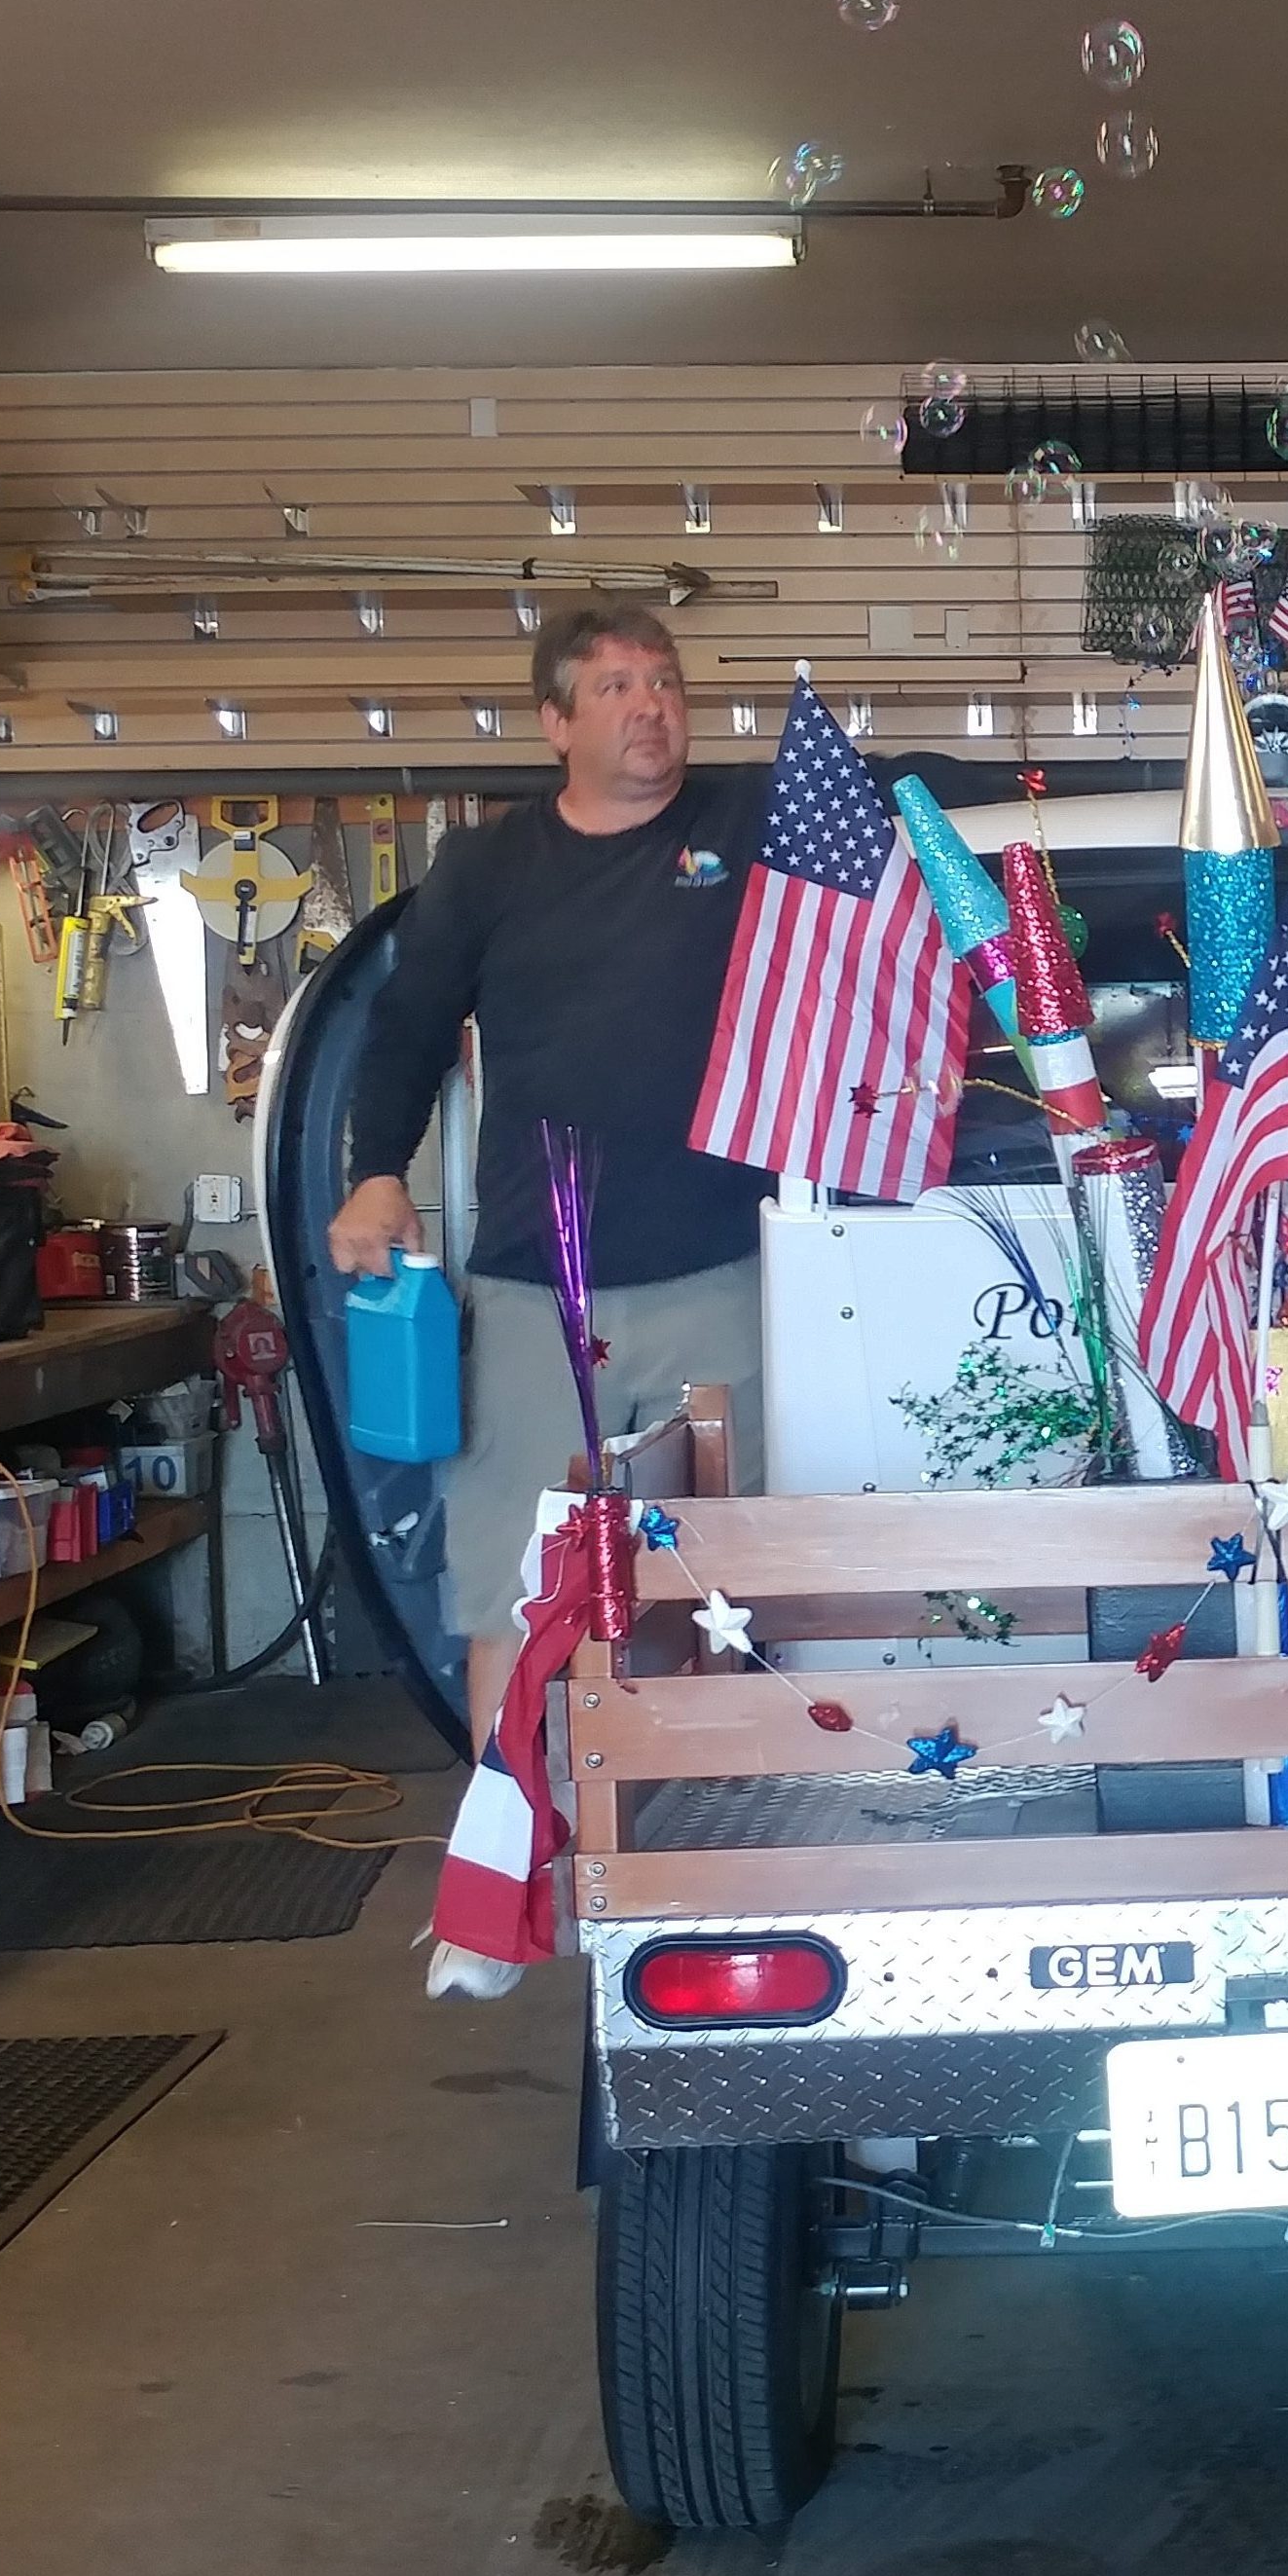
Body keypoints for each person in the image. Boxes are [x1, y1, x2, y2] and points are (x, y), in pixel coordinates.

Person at [329, 602, 771, 1979]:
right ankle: (510, 1896)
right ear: (558, 722)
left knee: (731, 1594)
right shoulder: (490, 865)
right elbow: (403, 1030)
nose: (653, 707)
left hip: (731, 1273)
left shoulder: (753, 823)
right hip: (534, 1292)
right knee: (507, 1601)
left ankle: (722, 1865)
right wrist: (373, 1173)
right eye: (620, 687)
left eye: (668, 681)